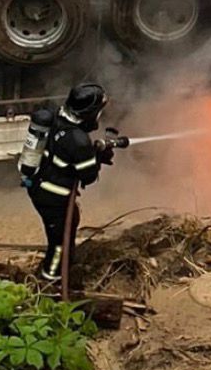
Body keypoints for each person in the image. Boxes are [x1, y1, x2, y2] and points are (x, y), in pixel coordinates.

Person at [17, 82, 128, 285]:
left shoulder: (57, 118)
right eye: (98, 112)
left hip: (39, 186)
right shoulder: (79, 141)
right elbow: (88, 176)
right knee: (59, 244)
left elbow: (65, 156)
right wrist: (98, 157)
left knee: (66, 229)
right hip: (53, 197)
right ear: (90, 113)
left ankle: (61, 269)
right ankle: (51, 280)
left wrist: (93, 154)